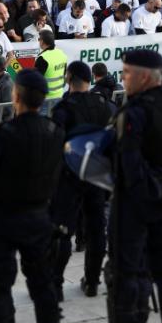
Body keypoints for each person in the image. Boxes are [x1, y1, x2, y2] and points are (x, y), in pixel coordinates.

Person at [0, 69, 65, 323]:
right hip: (39, 217)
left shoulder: (1, 137)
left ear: (16, 96)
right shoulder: (55, 132)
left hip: (4, 220)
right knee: (43, 285)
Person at [108, 49, 162, 323]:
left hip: (137, 208)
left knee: (128, 277)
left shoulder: (135, 111)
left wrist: (156, 199)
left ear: (144, 77)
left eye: (127, 73)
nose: (123, 78)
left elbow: (130, 165)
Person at [48, 61, 115, 299]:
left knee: (63, 230)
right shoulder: (105, 106)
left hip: (70, 176)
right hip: (96, 176)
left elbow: (54, 145)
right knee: (97, 229)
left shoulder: (63, 108)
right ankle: (93, 281)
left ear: (69, 78)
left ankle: (55, 283)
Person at [32, 30, 68, 116]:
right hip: (59, 96)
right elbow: (64, 74)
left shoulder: (43, 58)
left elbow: (36, 81)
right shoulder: (61, 54)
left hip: (46, 99)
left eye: (39, 39)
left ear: (42, 41)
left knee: (43, 126)